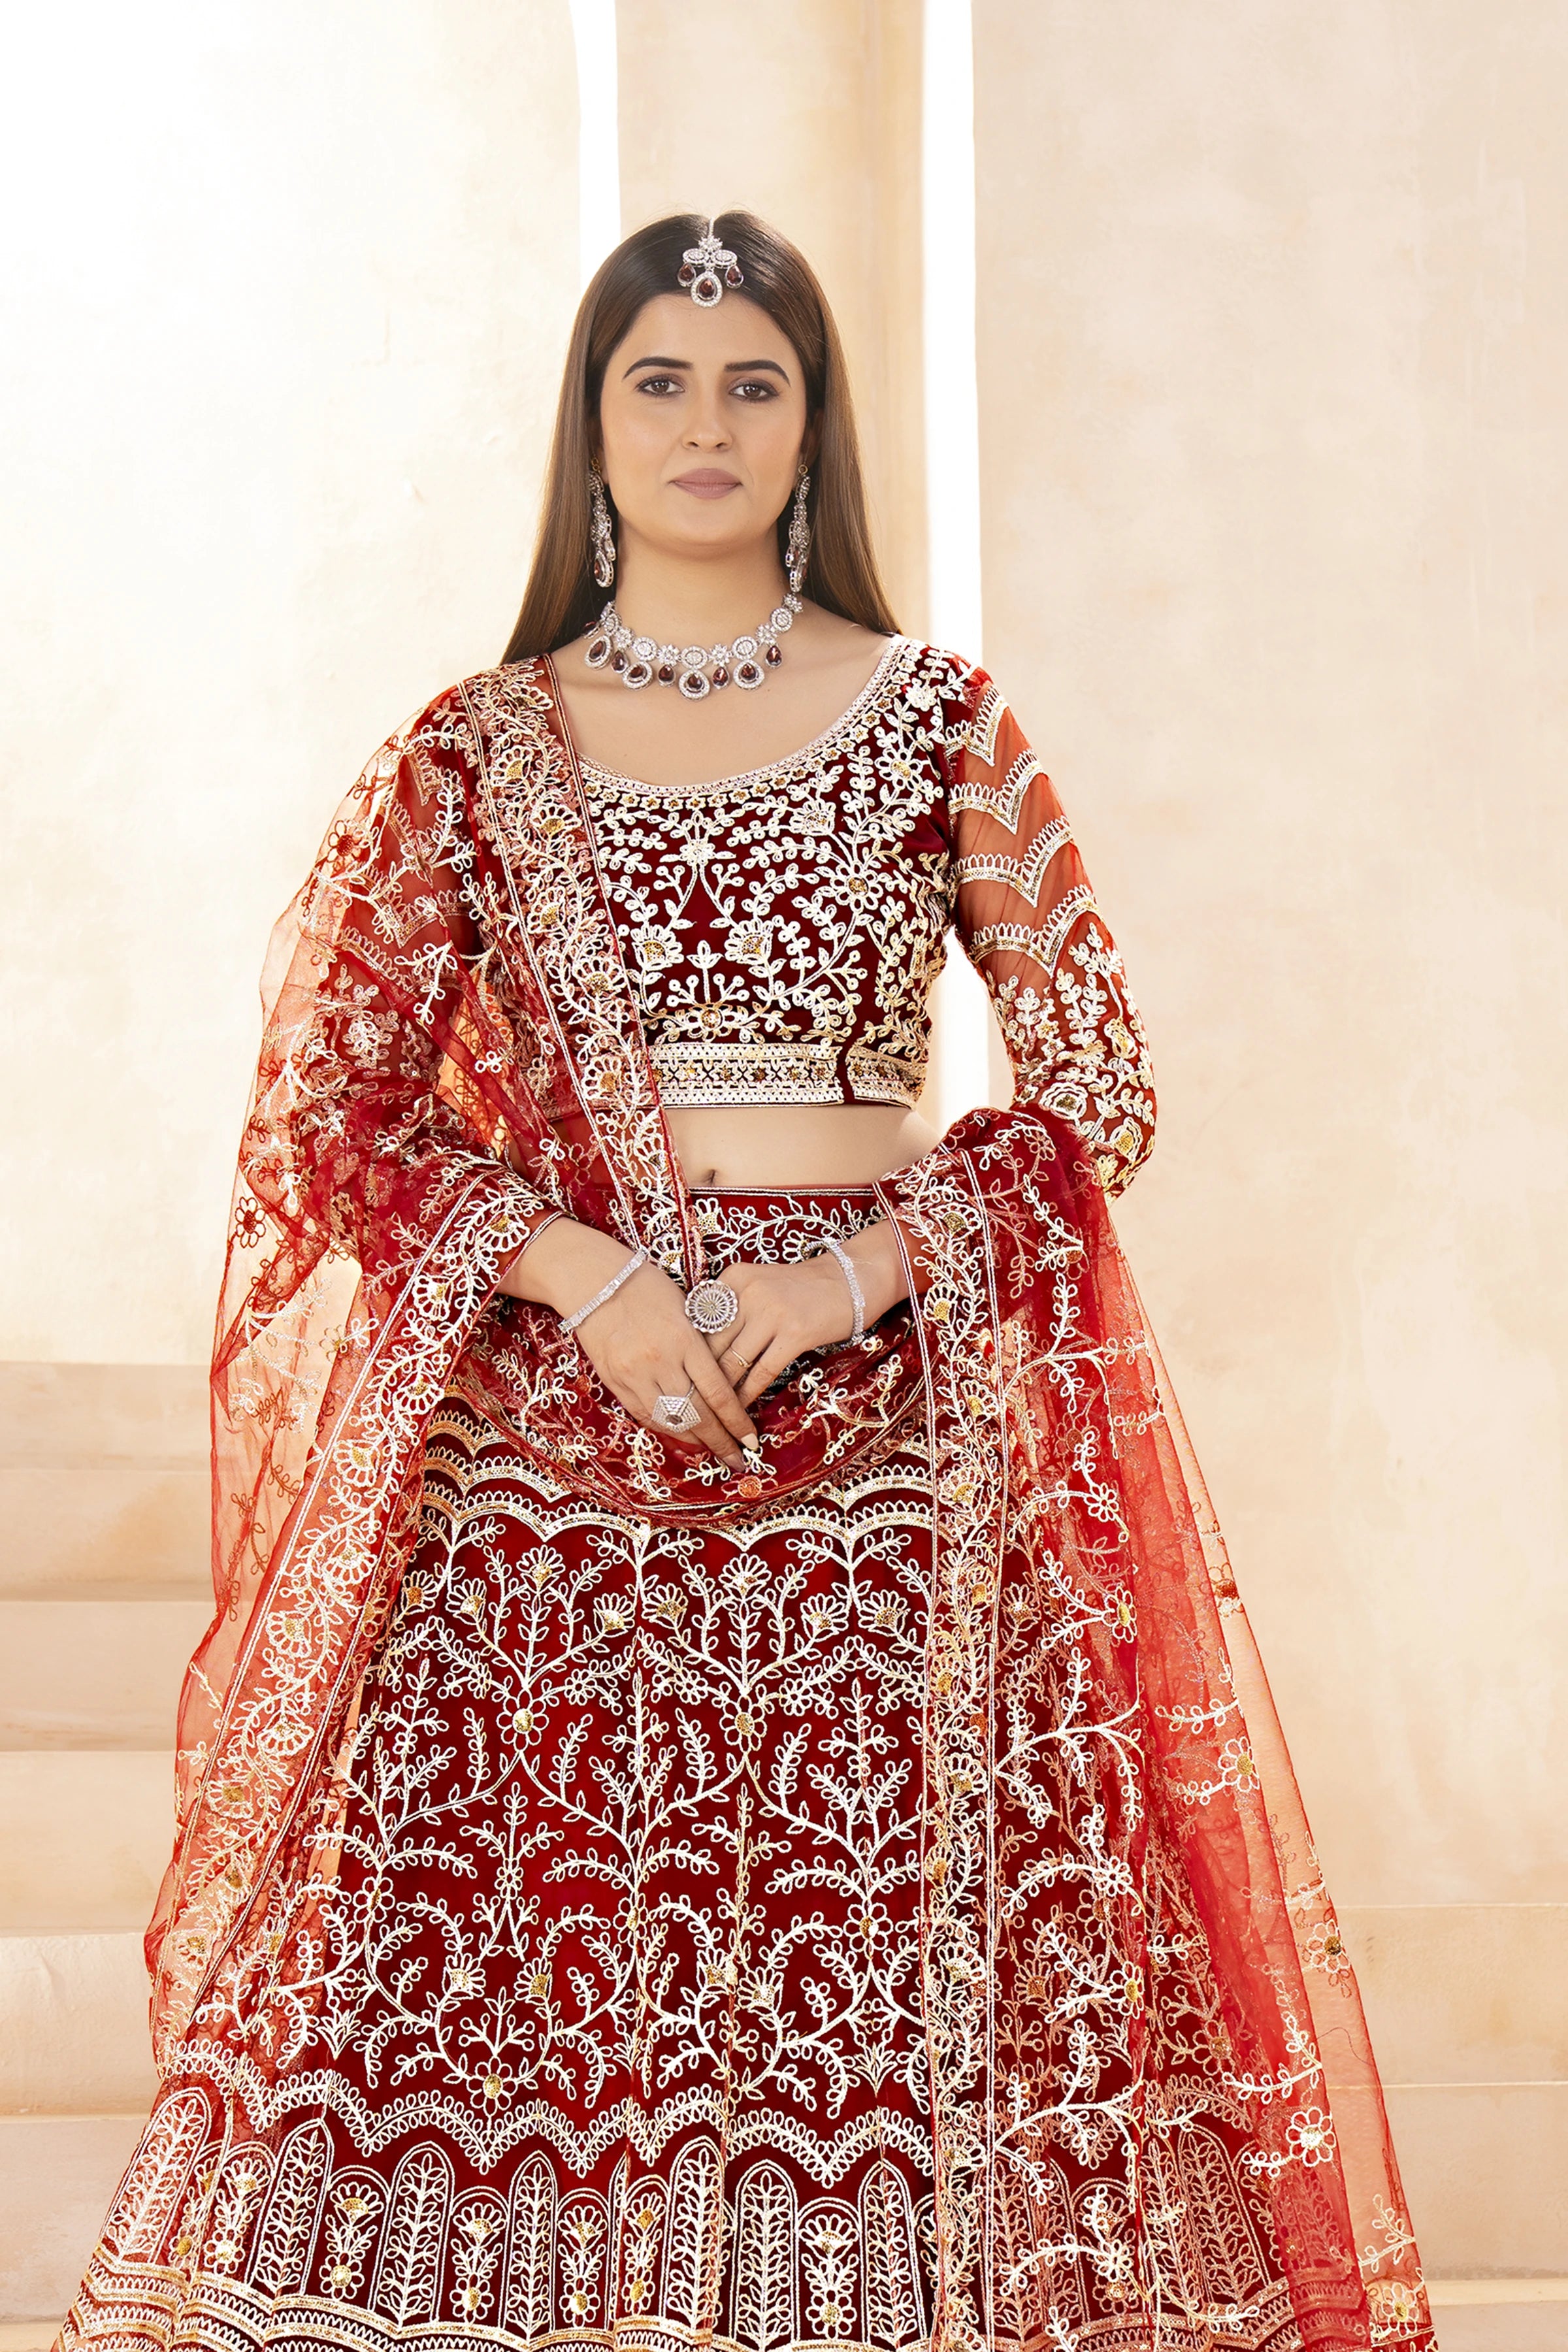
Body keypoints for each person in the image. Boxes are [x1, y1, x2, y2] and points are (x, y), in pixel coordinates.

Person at [59, 214, 1433, 2351]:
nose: (706, 425)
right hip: (536, 1454)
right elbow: (334, 1118)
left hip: (890, 1464)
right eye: (659, 382)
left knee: (898, 2003)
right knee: (522, 1986)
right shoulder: (475, 748)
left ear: (815, 429)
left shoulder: (935, 721)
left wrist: (871, 1269)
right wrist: (582, 1267)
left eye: (754, 383)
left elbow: (1101, 1086)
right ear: (591, 431)